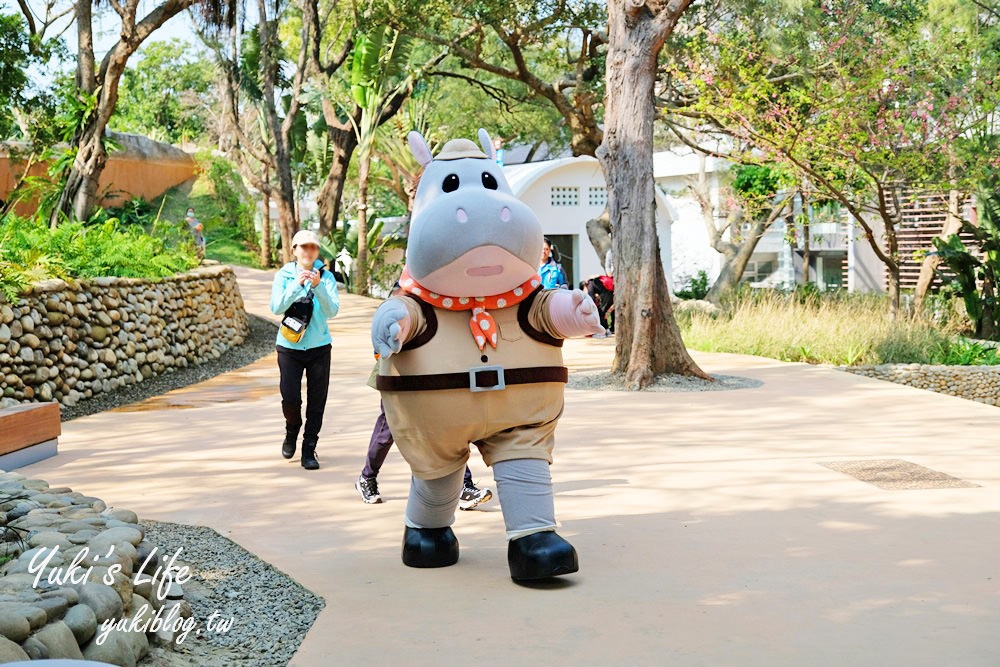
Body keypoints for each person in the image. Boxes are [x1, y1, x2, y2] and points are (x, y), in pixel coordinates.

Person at [269, 230, 340, 470]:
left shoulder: (327, 277)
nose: (308, 251)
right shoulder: (284, 275)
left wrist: (318, 286)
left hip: (319, 346)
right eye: (304, 247)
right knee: (290, 398)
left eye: (313, 247)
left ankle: (309, 447)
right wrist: (296, 287)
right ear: (294, 249)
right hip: (289, 346)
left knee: (317, 401)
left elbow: (332, 311)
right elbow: (276, 307)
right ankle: (292, 430)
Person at [355, 403, 493, 509]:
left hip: (426, 374)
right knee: (387, 432)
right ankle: (367, 477)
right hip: (394, 378)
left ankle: (463, 485)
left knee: (444, 426)